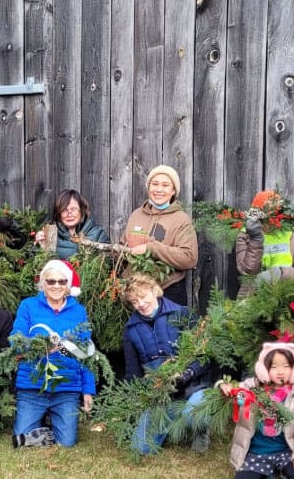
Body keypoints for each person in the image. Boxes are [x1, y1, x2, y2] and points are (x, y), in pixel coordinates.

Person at [121, 274, 215, 455]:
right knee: (140, 448)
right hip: (163, 392)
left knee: (193, 415)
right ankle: (173, 423)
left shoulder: (182, 313)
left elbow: (205, 356)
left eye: (143, 296)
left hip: (194, 385)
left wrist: (186, 373)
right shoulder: (131, 329)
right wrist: (140, 396)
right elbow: (133, 372)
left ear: (154, 290)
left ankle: (199, 430)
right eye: (134, 301)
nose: (140, 304)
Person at [11, 260, 97, 448]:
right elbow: (15, 339)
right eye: (51, 281)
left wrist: (87, 390)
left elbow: (85, 352)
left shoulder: (79, 311)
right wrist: (38, 347)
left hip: (66, 387)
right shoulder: (28, 306)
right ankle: (42, 423)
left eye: (61, 281)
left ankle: (52, 423)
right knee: (21, 440)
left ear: (68, 285)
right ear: (43, 284)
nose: (56, 286)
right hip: (33, 385)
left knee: (67, 443)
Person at [220, 342, 294, 479]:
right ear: (264, 369)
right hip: (257, 453)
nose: (280, 372)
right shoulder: (250, 387)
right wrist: (224, 387)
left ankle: (284, 473)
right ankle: (268, 473)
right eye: (274, 367)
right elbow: (234, 391)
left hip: (286, 453)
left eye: (286, 366)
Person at [123, 165, 199, 307]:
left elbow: (190, 258)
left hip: (168, 293)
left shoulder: (181, 219)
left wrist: (151, 248)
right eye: (155, 184)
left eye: (165, 185)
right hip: (136, 295)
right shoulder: (137, 215)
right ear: (148, 187)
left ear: (173, 191)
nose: (159, 189)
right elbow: (123, 247)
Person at [235, 189, 294, 298]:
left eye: (272, 217)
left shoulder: (292, 234)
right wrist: (255, 239)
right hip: (253, 298)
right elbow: (246, 271)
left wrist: (279, 274)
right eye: (263, 219)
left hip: (287, 296)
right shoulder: (245, 235)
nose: (267, 224)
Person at [34, 189, 109, 259]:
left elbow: (108, 262)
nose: (69, 214)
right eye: (64, 210)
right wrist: (38, 245)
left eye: (73, 209)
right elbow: (38, 263)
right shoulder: (50, 235)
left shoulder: (98, 234)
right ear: (59, 213)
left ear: (82, 210)